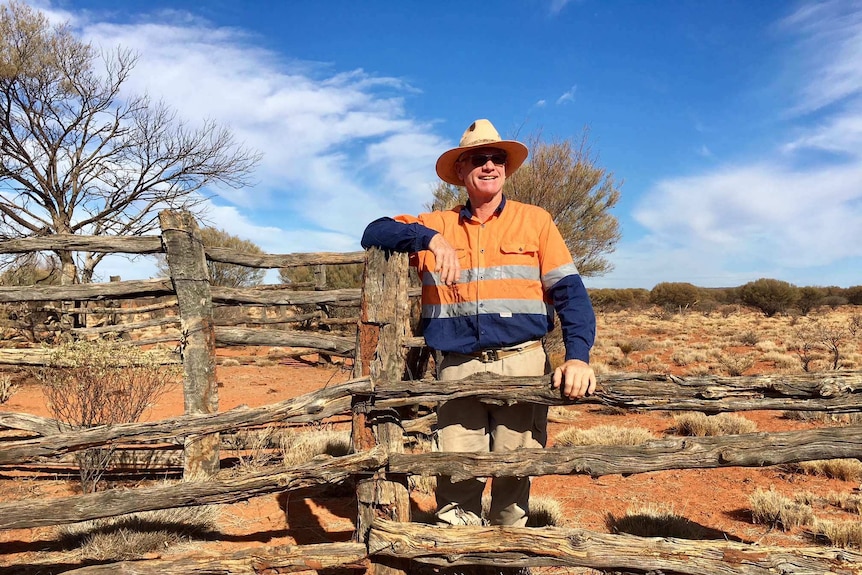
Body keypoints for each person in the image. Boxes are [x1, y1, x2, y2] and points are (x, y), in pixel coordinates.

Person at [361, 118, 596, 528]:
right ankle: (461, 561)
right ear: (460, 172)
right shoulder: (437, 224)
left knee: (514, 471)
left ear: (505, 169)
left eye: (496, 159)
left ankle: (509, 557)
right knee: (456, 474)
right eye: (478, 159)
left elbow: (570, 293)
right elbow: (373, 231)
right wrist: (427, 239)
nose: (489, 166)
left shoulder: (536, 221)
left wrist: (578, 357)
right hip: (456, 367)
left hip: (522, 363)